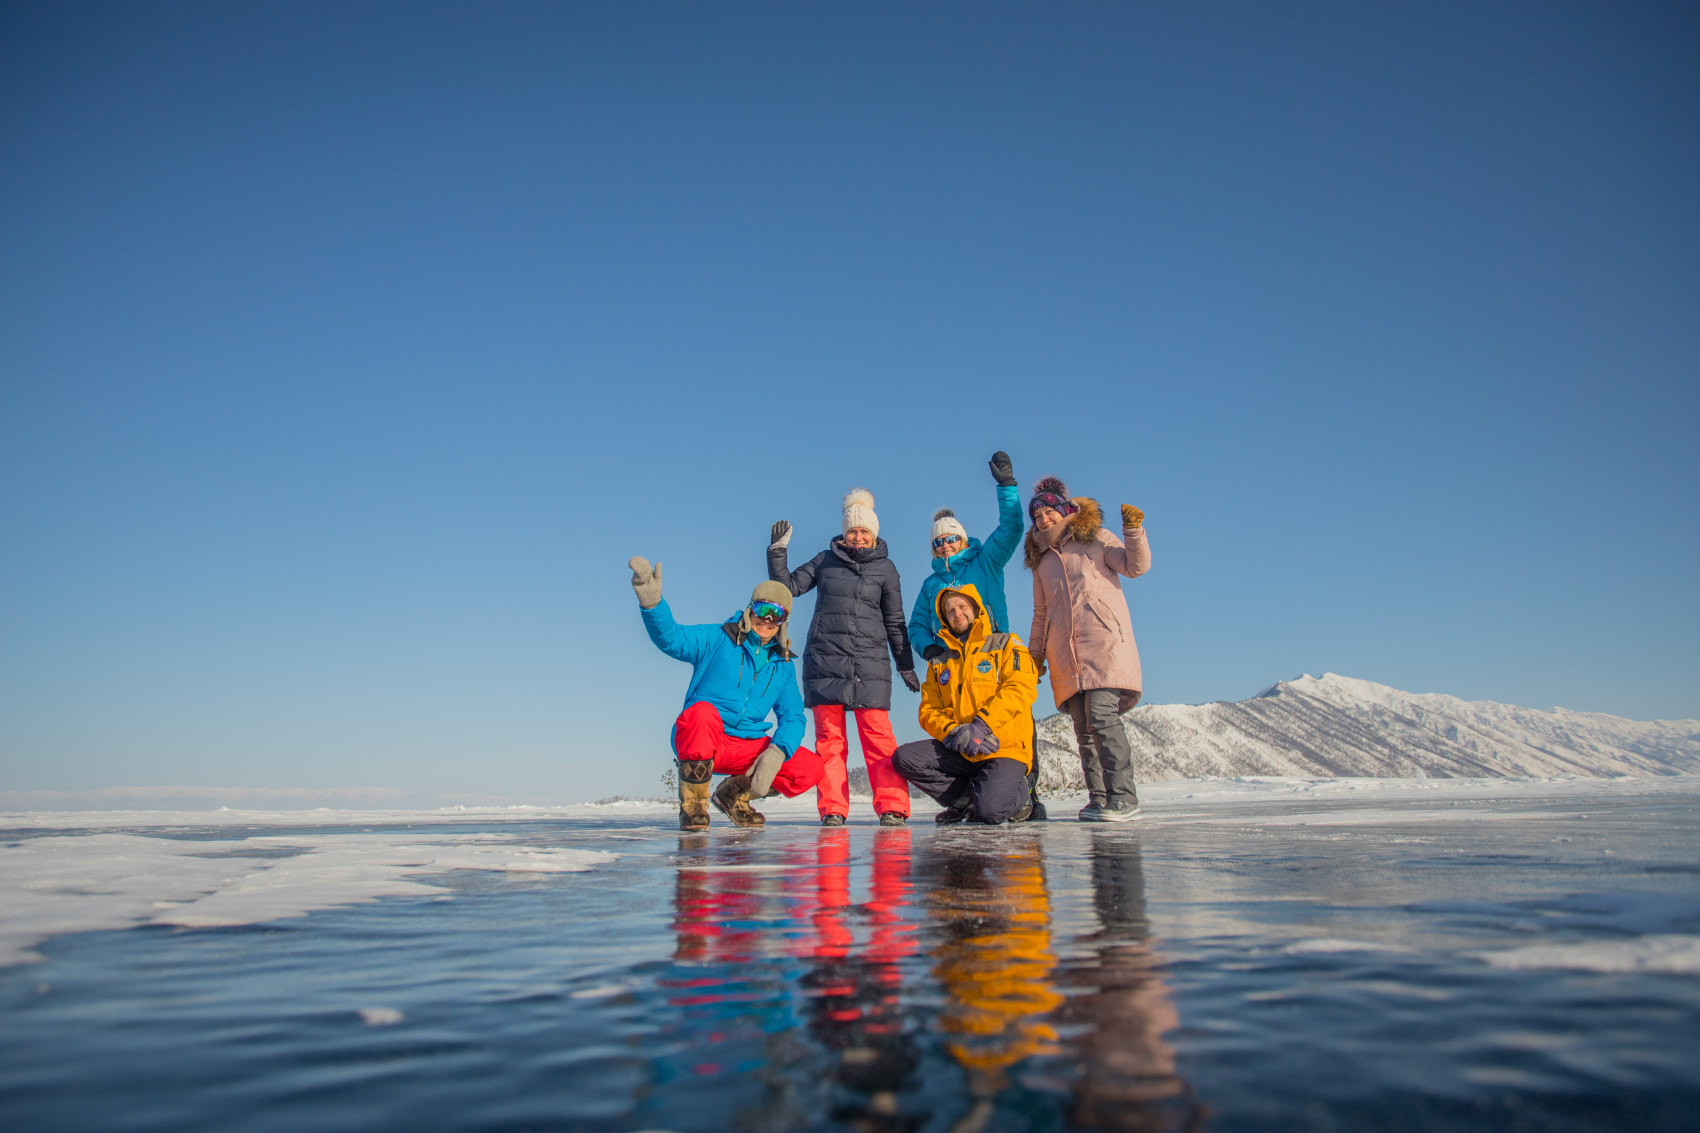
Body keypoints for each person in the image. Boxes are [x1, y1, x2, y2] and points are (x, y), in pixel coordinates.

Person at [628, 556, 825, 830]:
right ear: (749, 609)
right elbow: (672, 638)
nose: (767, 620)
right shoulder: (717, 638)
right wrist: (652, 604)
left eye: (777, 614)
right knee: (701, 712)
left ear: (784, 621)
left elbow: (793, 716)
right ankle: (693, 807)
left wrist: (777, 752)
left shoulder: (783, 665)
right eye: (762, 609)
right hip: (703, 737)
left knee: (810, 768)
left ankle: (733, 796)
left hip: (745, 747)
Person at [906, 449, 1049, 821]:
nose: (945, 545)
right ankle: (969, 796)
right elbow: (917, 625)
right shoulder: (930, 585)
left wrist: (1007, 487)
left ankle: (1026, 792)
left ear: (962, 538)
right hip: (953, 658)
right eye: (938, 542)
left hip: (995, 648)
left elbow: (1012, 527)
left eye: (951, 539)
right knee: (958, 728)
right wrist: (931, 649)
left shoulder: (985, 561)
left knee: (1016, 721)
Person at [769, 489, 919, 828]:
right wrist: (777, 553)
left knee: (879, 740)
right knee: (829, 743)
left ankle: (893, 806)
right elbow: (788, 588)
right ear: (844, 532)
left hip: (870, 665)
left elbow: (895, 621)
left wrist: (905, 664)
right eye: (853, 530)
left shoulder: (886, 569)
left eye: (864, 531)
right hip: (825, 662)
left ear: (874, 533)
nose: (858, 536)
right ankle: (833, 808)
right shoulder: (825, 560)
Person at [1023, 476, 1151, 822]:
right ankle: (1099, 798)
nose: (1044, 521)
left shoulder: (1093, 538)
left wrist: (1133, 530)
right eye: (1038, 517)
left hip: (1103, 643)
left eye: (1050, 513)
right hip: (1064, 653)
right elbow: (1041, 613)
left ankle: (1124, 797)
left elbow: (1135, 566)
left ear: (1064, 511)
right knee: (1083, 728)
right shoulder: (1042, 561)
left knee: (1102, 718)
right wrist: (1035, 657)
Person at [891, 583, 1039, 825]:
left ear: (975, 608)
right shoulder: (939, 661)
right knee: (905, 757)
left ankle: (1021, 796)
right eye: (950, 611)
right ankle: (965, 801)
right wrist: (952, 733)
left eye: (962, 606)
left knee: (991, 812)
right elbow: (929, 710)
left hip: (1001, 747)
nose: (957, 613)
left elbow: (1020, 688)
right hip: (962, 749)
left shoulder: (1006, 644)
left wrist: (982, 726)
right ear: (943, 618)